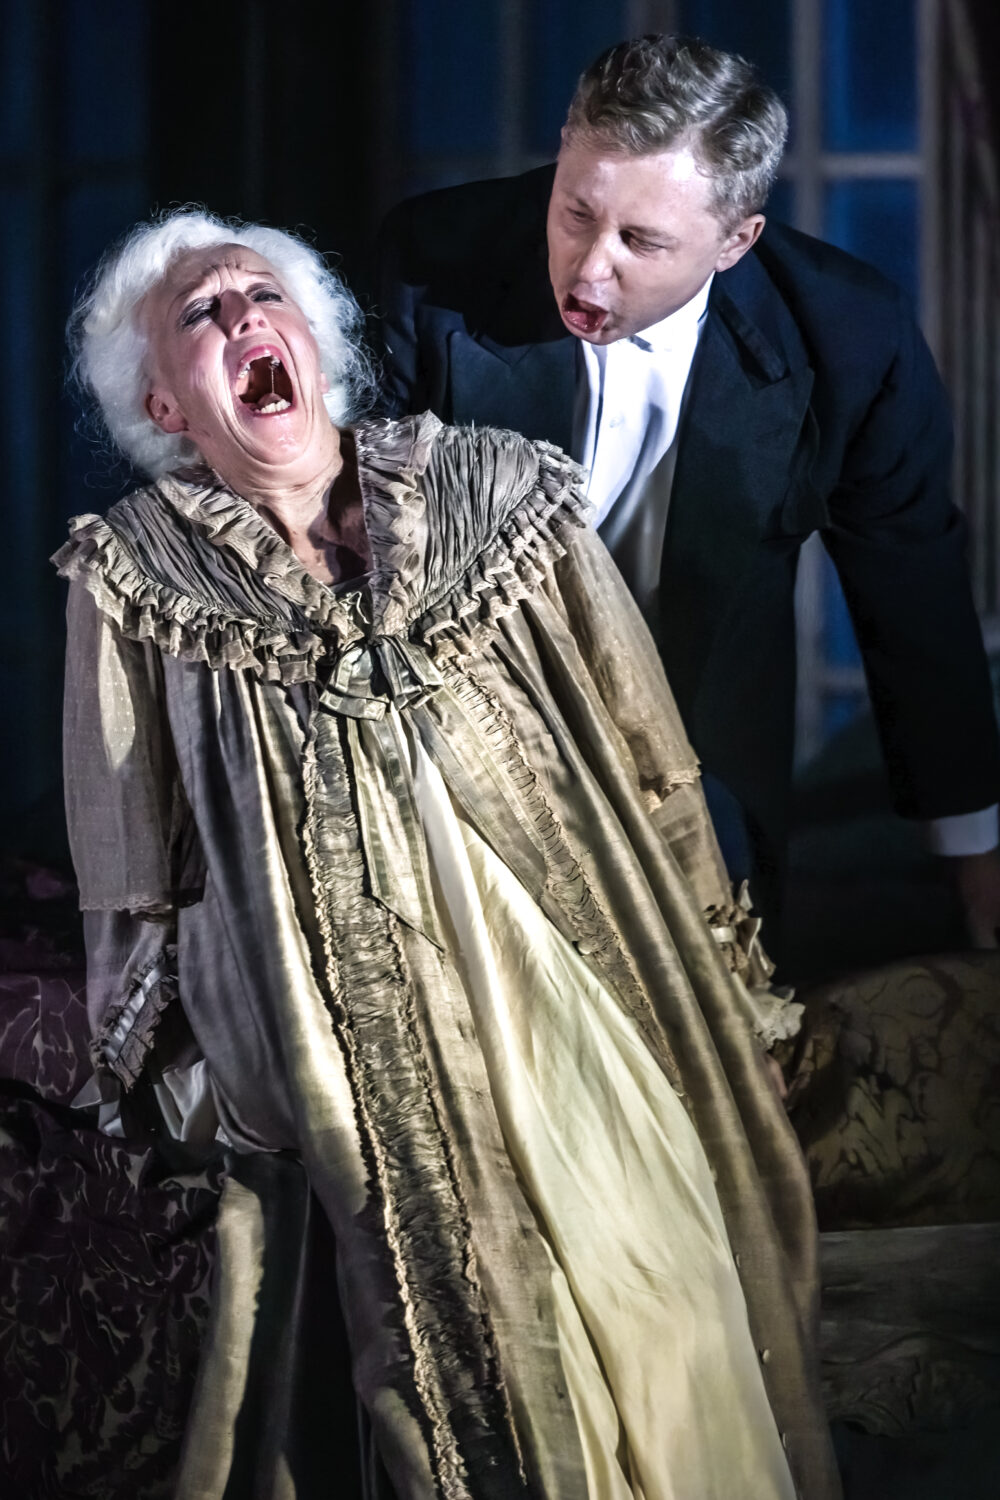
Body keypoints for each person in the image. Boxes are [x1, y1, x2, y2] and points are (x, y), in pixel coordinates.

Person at [55, 208, 841, 1499]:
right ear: (163, 404)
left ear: (315, 341)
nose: (246, 315)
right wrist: (199, 1079)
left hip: (569, 1004)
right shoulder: (138, 579)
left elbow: (651, 757)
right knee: (458, 1389)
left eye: (264, 294)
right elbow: (132, 878)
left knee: (670, 1310)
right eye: (202, 314)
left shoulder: (496, 491)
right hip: (348, 1069)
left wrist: (716, 960)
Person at [377, 33, 1000, 946]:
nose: (590, 267)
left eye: (641, 241)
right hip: (452, 751)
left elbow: (911, 594)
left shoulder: (849, 336)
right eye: (576, 212)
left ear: (735, 241)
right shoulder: (430, 265)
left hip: (702, 763)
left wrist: (976, 860)